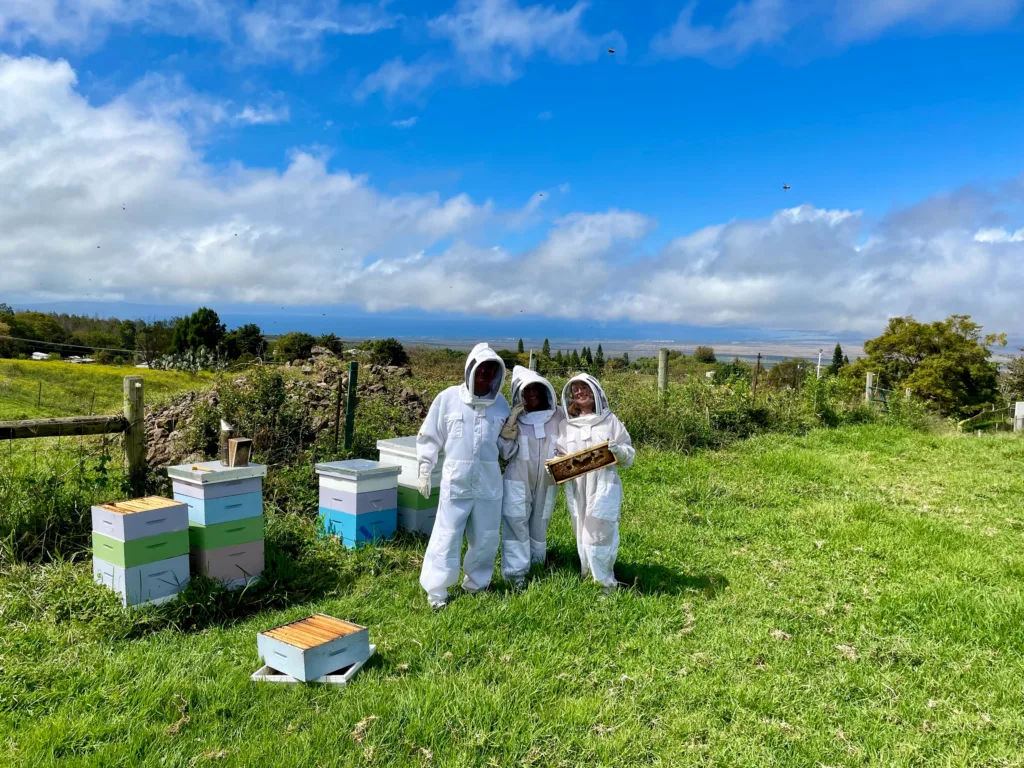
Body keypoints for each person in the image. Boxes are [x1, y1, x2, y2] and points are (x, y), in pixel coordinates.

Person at [416, 343, 512, 609]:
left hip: (489, 482)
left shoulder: (500, 404)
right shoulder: (447, 398)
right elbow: (430, 435)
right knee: (446, 535)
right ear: (469, 370)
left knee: (486, 536)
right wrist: (425, 467)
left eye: (489, 372)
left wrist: (511, 434)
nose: (483, 377)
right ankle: (437, 592)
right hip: (456, 481)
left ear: (496, 376)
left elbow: (504, 449)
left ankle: (477, 585)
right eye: (479, 371)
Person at [556, 374, 634, 594]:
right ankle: (587, 574)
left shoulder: (610, 420)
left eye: (584, 387)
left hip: (604, 484)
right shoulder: (566, 424)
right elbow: (560, 452)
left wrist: (618, 451)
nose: (580, 392)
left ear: (596, 391)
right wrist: (555, 463)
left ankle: (605, 584)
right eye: (576, 389)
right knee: (581, 530)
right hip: (577, 486)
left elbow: (629, 456)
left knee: (600, 533)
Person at [497, 366, 565, 588]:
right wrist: (509, 428)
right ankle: (515, 576)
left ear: (545, 391)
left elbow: (570, 441)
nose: (532, 394)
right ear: (519, 394)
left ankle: (536, 565)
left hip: (548, 480)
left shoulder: (559, 415)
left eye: (536, 389)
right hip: (518, 479)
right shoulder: (514, 417)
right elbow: (505, 453)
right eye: (526, 390)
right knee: (515, 523)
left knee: (540, 523)